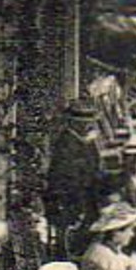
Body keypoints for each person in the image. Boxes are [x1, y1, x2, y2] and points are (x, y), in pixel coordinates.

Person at [44, 99, 107, 258]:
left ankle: (86, 251)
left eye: (89, 123)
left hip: (84, 194)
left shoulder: (87, 141)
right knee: (75, 226)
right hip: (66, 198)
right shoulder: (66, 143)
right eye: (83, 123)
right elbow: (62, 176)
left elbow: (95, 166)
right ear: (73, 123)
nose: (88, 127)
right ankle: (71, 253)